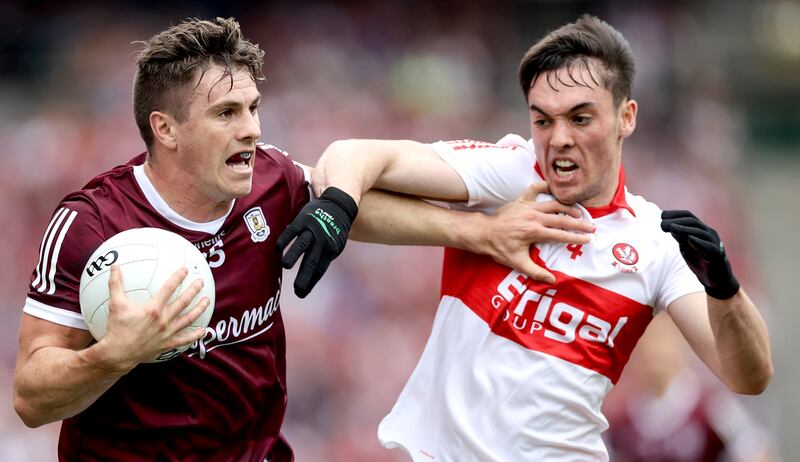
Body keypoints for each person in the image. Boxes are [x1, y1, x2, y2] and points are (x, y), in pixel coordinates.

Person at [12, 17, 593, 461]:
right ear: (165, 129)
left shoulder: (269, 179)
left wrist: (480, 232)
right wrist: (115, 355)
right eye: (226, 113)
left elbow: (346, 210)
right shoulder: (92, 224)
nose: (253, 127)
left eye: (254, 107)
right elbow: (32, 397)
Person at [280, 14, 773, 461]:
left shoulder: (655, 243)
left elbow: (748, 376)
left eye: (580, 118)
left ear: (626, 117)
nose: (558, 138)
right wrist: (339, 204)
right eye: (543, 119)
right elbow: (355, 155)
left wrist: (725, 291)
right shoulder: (509, 173)